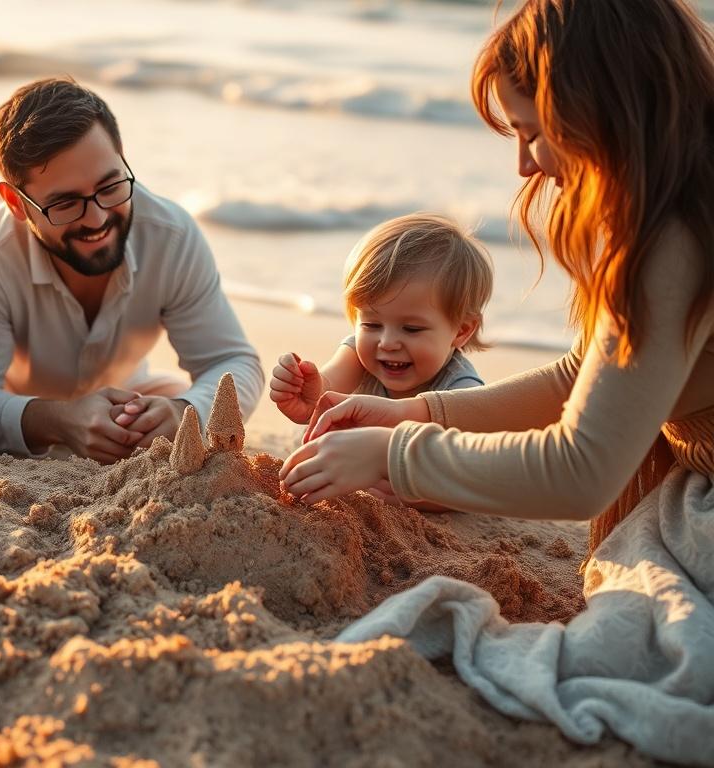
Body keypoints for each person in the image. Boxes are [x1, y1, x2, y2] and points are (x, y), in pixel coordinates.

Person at [282, 0, 714, 761]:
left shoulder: (672, 235)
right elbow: (586, 377)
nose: (524, 165)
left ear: (599, 108)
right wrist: (413, 413)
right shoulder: (691, 192)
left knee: (633, 639)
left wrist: (395, 455)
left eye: (532, 131)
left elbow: (580, 471)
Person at [0, 77, 263, 464]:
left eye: (109, 187)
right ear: (16, 203)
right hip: (19, 419)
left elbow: (234, 362)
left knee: (181, 398)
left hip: (134, 400)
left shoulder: (170, 237)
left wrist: (181, 412)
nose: (97, 219)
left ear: (122, 157)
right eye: (65, 203)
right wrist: (56, 420)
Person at [269, 213, 492, 428]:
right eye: (372, 325)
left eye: (411, 329)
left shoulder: (462, 392)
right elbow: (325, 392)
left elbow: (469, 444)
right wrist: (308, 393)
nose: (386, 342)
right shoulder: (358, 356)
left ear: (461, 331)